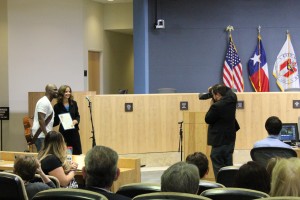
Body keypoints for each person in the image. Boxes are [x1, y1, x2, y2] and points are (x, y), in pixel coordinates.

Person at [204, 84, 239, 178]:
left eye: (214, 95)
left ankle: (221, 186)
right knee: (228, 166)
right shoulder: (233, 98)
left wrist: (212, 104)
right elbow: (229, 90)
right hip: (230, 139)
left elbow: (208, 119)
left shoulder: (216, 106)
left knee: (218, 167)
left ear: (218, 95)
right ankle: (230, 186)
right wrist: (214, 89)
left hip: (219, 141)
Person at [54, 85, 82, 155]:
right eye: (66, 91)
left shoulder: (74, 103)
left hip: (74, 132)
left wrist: (76, 121)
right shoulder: (57, 106)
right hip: (64, 133)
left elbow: (77, 116)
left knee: (76, 152)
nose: (68, 93)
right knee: (65, 153)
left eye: (69, 91)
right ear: (61, 93)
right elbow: (56, 121)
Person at [31, 84, 58, 151]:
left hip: (43, 136)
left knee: (44, 157)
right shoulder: (44, 102)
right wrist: (47, 135)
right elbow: (41, 119)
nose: (57, 91)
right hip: (42, 136)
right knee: (43, 158)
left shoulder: (47, 102)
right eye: (55, 90)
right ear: (49, 91)